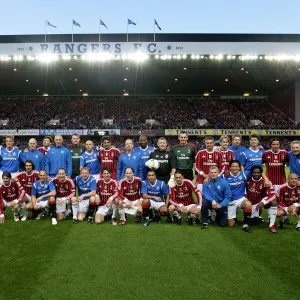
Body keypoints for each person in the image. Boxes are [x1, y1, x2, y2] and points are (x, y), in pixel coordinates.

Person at [223, 160, 254, 233]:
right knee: (231, 224)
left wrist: (266, 179)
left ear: (240, 167)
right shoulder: (225, 176)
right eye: (233, 166)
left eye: (237, 166)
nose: (235, 168)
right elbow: (214, 177)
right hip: (230, 201)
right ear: (230, 167)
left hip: (240, 199)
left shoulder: (244, 175)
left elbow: (257, 169)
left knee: (248, 204)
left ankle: (245, 225)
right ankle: (233, 217)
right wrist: (207, 178)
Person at [247, 166, 278, 233]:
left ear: (261, 173)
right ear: (251, 173)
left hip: (261, 201)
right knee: (253, 222)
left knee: (273, 202)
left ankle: (271, 224)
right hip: (251, 203)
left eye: (258, 172)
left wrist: (263, 202)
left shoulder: (266, 182)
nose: (256, 174)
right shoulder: (247, 181)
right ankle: (256, 216)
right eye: (254, 172)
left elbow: (273, 195)